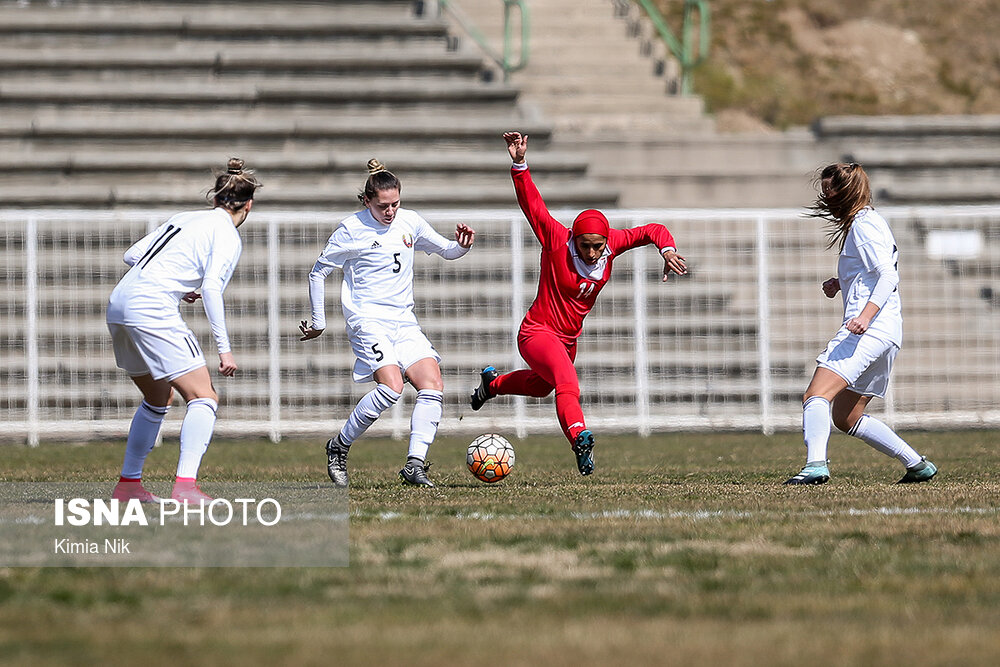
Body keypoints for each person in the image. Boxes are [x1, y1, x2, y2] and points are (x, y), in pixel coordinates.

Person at [470, 131, 688, 475]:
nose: (590, 252)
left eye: (597, 246)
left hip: (568, 339)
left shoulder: (612, 243)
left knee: (543, 387)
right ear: (575, 237)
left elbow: (652, 230)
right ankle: (580, 438)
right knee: (568, 383)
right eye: (585, 244)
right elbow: (533, 205)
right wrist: (519, 163)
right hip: (537, 333)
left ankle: (492, 384)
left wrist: (668, 249)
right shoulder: (557, 240)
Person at [300, 159, 475, 488]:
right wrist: (319, 321)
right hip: (368, 320)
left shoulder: (410, 222)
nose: (390, 211)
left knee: (432, 384)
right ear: (367, 201)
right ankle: (339, 446)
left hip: (403, 321)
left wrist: (462, 247)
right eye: (383, 206)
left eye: (395, 203)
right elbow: (318, 272)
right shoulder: (351, 230)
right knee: (392, 387)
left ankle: (414, 464)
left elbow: (446, 251)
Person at [107, 157, 260, 503]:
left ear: (215, 198)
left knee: (158, 397)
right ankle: (186, 487)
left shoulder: (186, 218)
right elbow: (211, 288)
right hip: (150, 307)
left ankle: (128, 487)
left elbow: (132, 254)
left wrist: (178, 280)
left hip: (120, 301)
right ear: (248, 205)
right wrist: (225, 349)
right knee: (204, 397)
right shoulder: (227, 235)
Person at [784, 162, 937, 485]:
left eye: (831, 191)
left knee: (816, 395)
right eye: (824, 191)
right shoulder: (867, 223)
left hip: (871, 328)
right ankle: (917, 464)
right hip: (888, 333)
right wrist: (841, 281)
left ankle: (815, 466)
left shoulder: (864, 225)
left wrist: (864, 316)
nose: (826, 199)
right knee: (847, 416)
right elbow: (872, 271)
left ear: (848, 191)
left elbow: (887, 275)